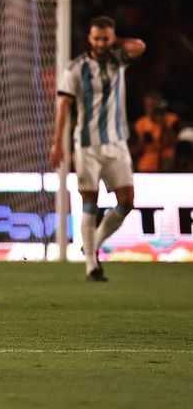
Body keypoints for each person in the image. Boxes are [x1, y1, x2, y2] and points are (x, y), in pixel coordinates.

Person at [50, 15, 146, 281]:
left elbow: (139, 46)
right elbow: (64, 109)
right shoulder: (76, 68)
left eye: (106, 38)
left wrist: (118, 42)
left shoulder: (119, 60)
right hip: (87, 146)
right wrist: (58, 143)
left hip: (117, 143)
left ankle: (92, 243)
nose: (101, 43)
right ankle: (92, 264)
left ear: (111, 38)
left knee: (127, 203)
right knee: (90, 203)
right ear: (89, 39)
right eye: (97, 38)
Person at [133, 91, 180, 172]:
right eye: (147, 106)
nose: (150, 109)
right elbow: (134, 150)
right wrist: (142, 142)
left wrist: (164, 125)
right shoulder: (140, 123)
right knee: (143, 166)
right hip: (148, 157)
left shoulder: (172, 119)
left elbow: (177, 143)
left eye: (152, 106)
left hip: (168, 156)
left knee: (169, 163)